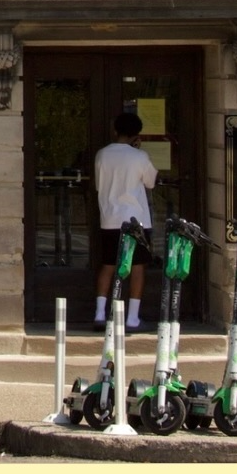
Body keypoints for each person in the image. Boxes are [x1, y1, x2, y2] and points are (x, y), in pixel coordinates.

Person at [93, 111, 157, 330]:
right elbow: (150, 182)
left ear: (115, 130)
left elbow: (99, 185)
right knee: (137, 266)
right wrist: (137, 150)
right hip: (136, 218)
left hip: (110, 217)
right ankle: (132, 317)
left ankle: (100, 313)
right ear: (136, 134)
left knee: (108, 264)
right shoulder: (140, 157)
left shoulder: (102, 155)